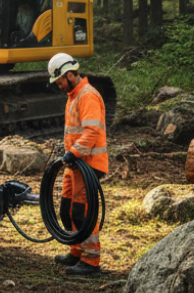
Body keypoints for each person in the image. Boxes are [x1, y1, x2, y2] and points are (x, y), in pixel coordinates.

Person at [48, 52, 108, 277]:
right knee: (67, 209)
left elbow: (92, 132)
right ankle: (76, 251)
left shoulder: (87, 95)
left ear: (70, 74)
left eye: (60, 81)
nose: (59, 86)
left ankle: (91, 261)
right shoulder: (74, 95)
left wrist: (72, 153)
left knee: (83, 213)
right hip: (74, 163)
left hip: (87, 164)